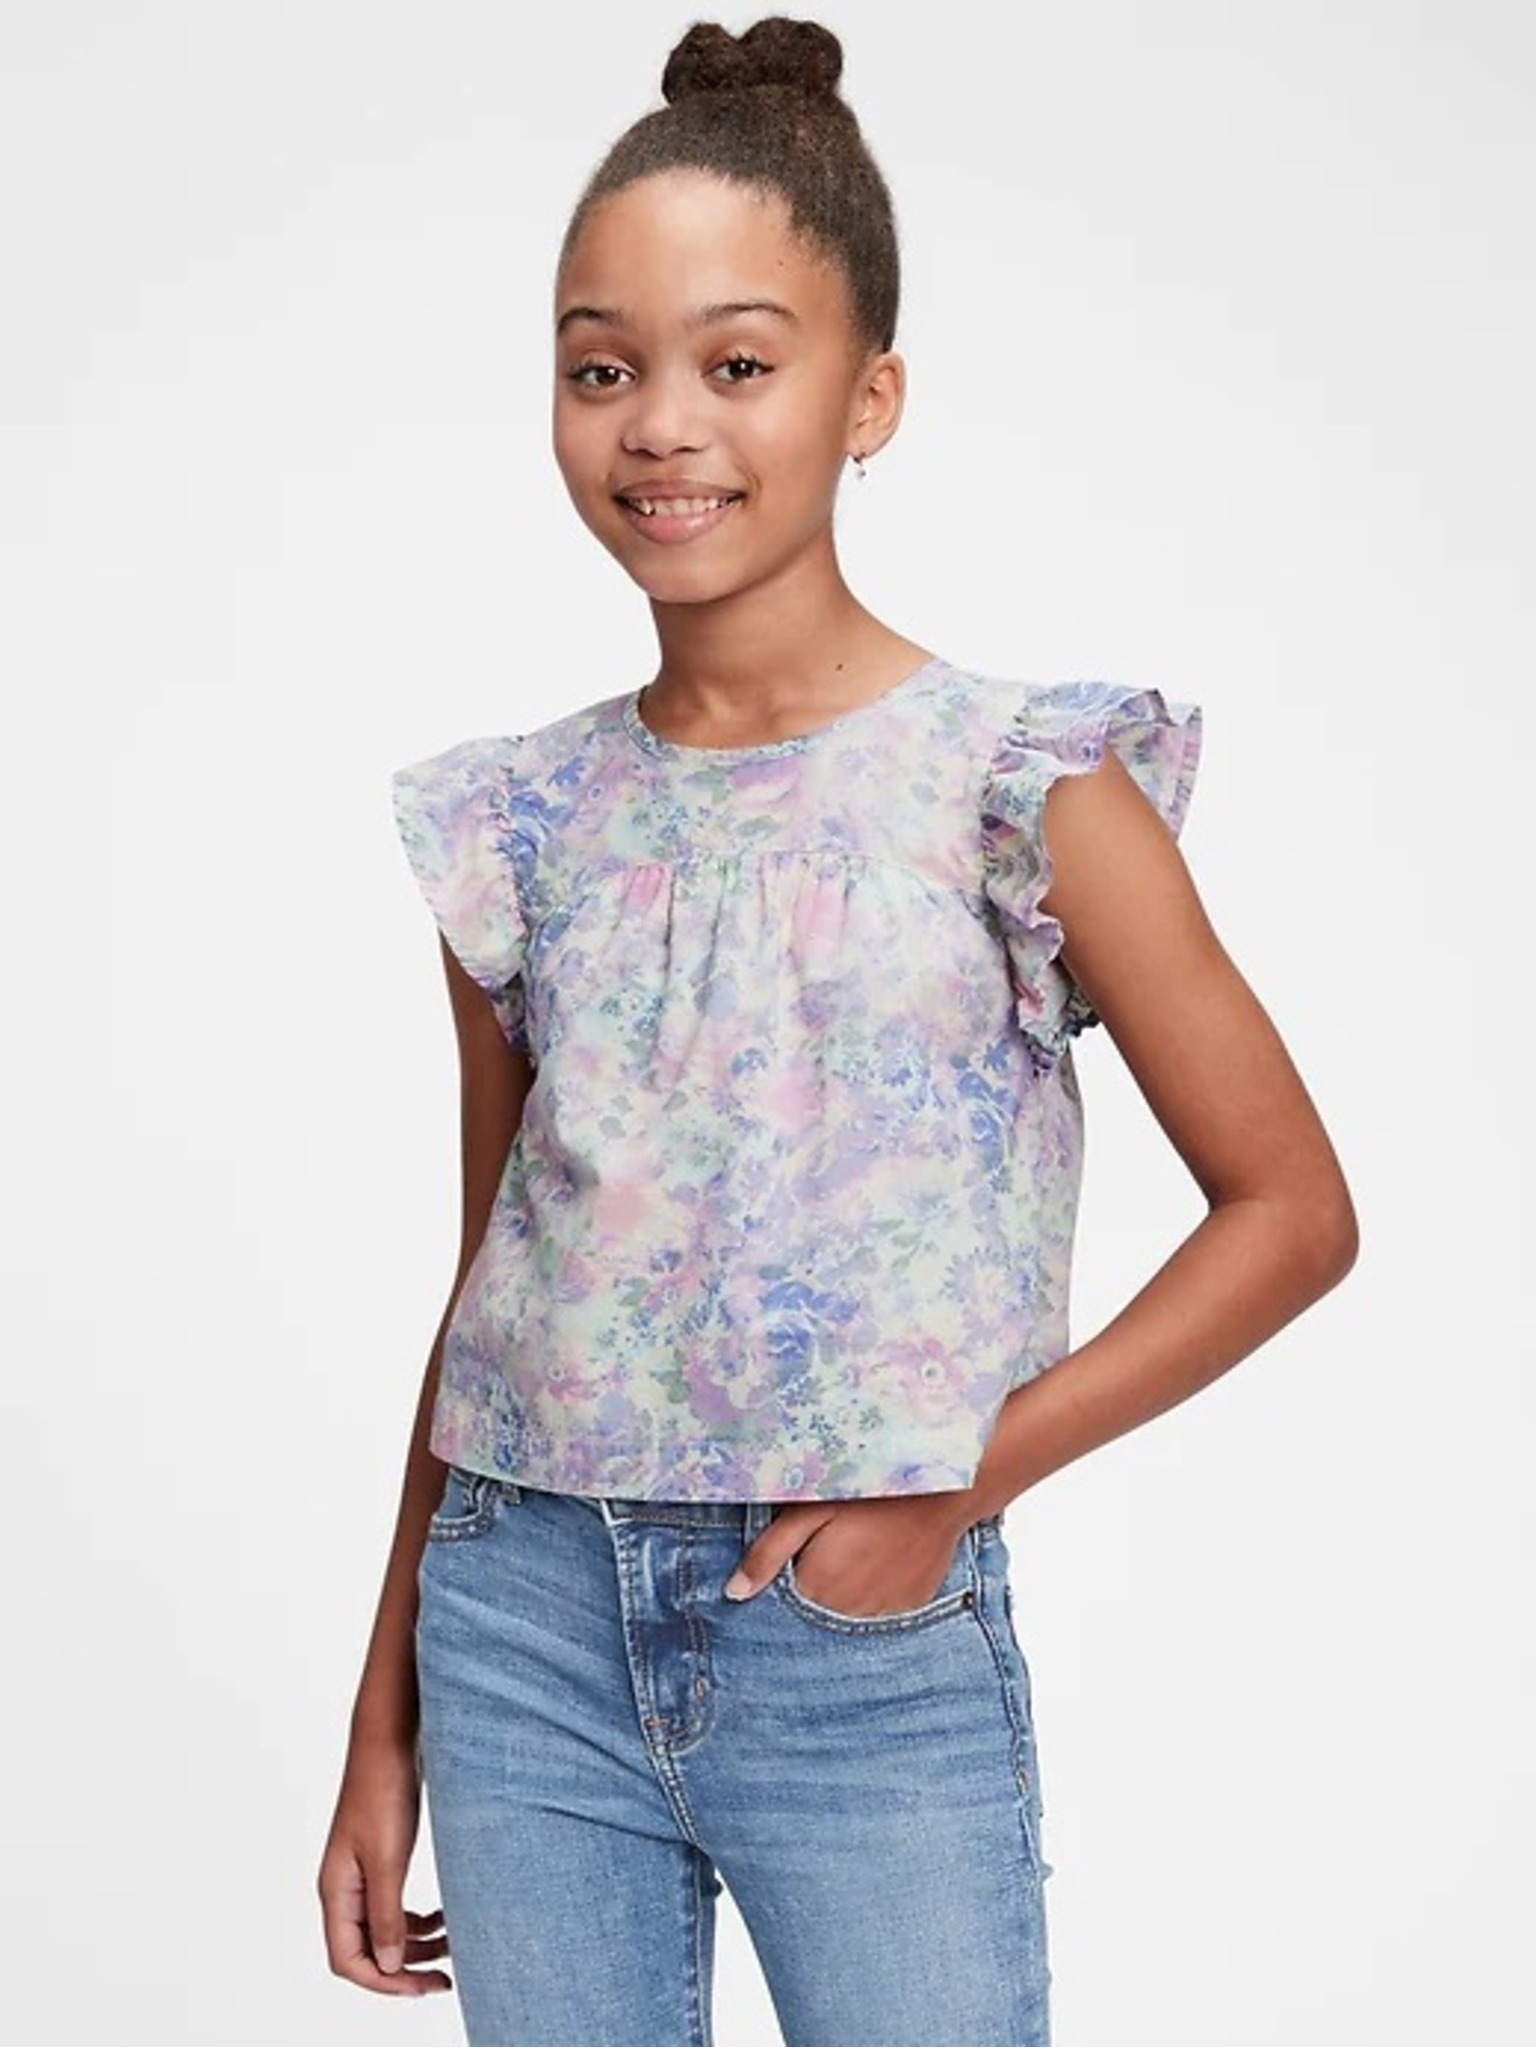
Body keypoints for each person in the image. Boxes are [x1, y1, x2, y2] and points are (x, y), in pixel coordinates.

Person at [316, 16, 1359, 2046]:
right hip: (521, 1625)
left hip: (860, 1640)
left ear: (869, 395)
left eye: (738, 364)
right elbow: (491, 1293)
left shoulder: (1023, 787)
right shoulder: (518, 826)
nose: (660, 427)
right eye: (601, 368)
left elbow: (1292, 1213)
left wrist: (959, 1490)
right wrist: (388, 1714)